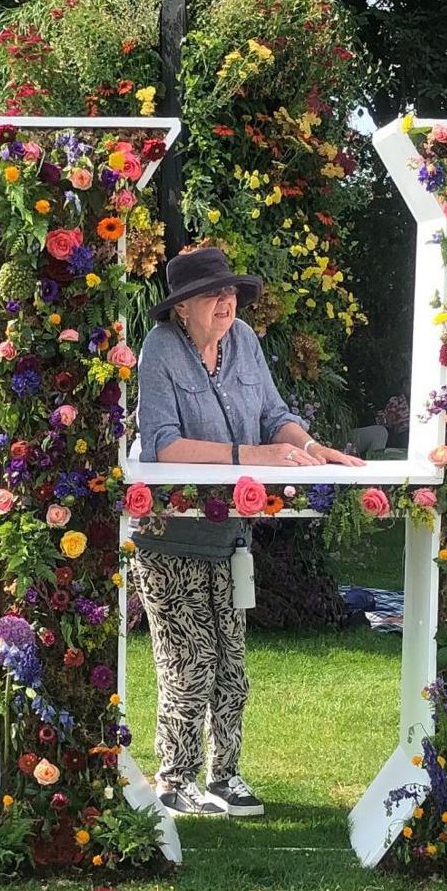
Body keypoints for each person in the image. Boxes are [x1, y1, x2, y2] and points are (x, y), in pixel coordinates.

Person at [132, 246, 363, 818]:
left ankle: (226, 775)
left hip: (233, 535)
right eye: (213, 293)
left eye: (231, 292)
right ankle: (175, 777)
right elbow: (162, 445)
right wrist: (250, 455)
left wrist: (312, 448)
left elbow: (274, 415)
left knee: (231, 665)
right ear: (182, 308)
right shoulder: (160, 349)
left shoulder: (246, 344)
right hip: (172, 534)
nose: (226, 301)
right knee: (189, 661)